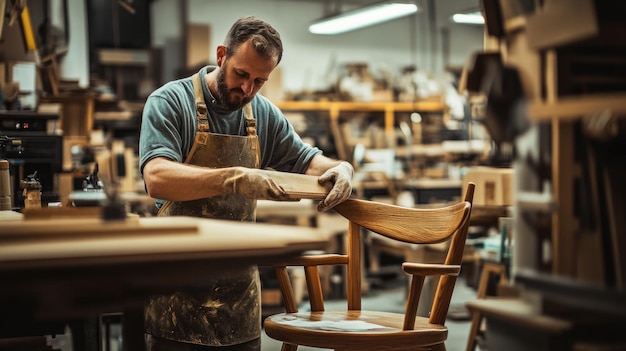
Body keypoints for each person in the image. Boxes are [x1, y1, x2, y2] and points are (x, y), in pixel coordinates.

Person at [138, 16, 353, 351]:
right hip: (177, 293)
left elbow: (307, 161)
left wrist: (341, 168)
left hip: (238, 302)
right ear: (221, 54)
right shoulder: (170, 102)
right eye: (241, 74)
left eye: (259, 81)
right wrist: (233, 177)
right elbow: (157, 178)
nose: (248, 89)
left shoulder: (262, 114)